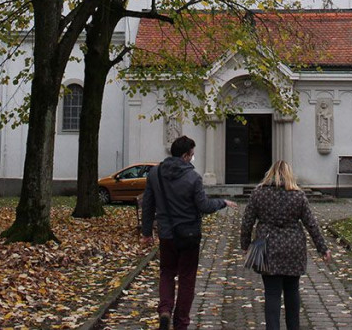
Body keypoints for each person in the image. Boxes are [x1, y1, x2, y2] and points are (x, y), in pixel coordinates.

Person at [140, 135, 236, 330]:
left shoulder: (155, 174)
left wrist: (147, 232)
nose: (192, 157)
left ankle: (165, 309)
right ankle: (181, 322)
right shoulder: (193, 177)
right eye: (191, 154)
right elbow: (204, 206)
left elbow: (148, 205)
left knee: (166, 273)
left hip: (167, 234)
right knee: (186, 278)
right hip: (189, 235)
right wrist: (222, 202)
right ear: (185, 155)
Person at [240, 160, 331, 330]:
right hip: (293, 246)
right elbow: (311, 224)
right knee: (292, 291)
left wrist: (245, 245)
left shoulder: (259, 193)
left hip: (265, 246)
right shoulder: (298, 195)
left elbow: (247, 222)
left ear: (270, 173)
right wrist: (322, 248)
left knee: (271, 293)